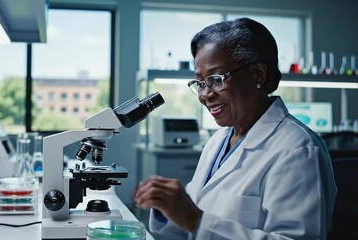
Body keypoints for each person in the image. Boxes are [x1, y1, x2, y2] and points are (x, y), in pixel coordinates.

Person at [134, 17, 337, 240]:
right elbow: (191, 222)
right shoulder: (217, 142)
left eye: (217, 79)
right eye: (201, 82)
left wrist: (196, 220)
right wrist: (166, 207)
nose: (205, 94)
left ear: (258, 75)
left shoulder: (298, 150)